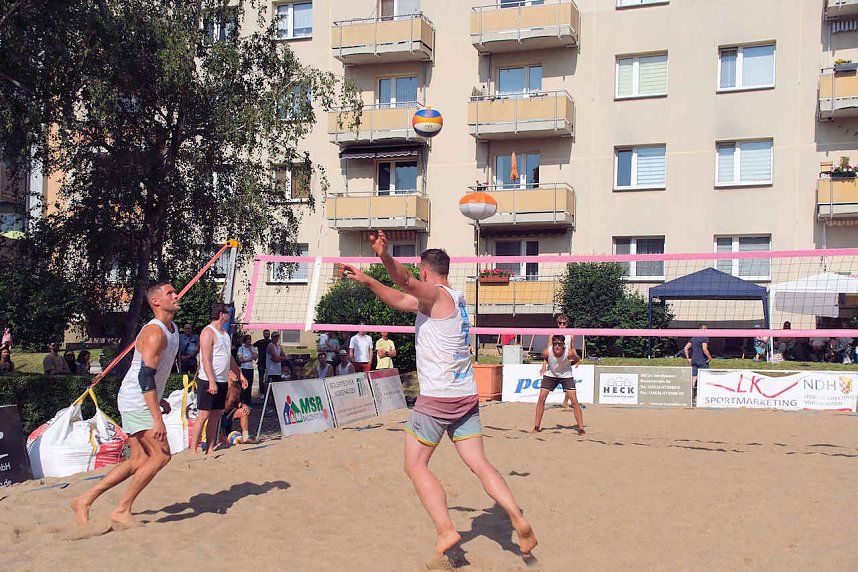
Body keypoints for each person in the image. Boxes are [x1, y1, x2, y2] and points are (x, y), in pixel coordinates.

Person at [342, 230, 536, 564]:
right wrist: (368, 280)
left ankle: (446, 530)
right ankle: (518, 519)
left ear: (426, 272)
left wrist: (384, 256)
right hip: (465, 396)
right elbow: (400, 298)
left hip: (438, 398)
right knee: (479, 464)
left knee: (415, 464)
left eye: (419, 272)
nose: (417, 277)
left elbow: (404, 282)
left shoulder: (435, 295)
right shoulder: (453, 300)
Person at [70, 281, 180, 528]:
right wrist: (156, 417)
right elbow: (145, 377)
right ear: (155, 301)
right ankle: (122, 509)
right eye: (170, 293)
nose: (176, 295)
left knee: (139, 459)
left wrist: (159, 398)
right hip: (137, 401)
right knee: (161, 456)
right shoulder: (154, 332)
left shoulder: (172, 329)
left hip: (139, 398)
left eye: (175, 292)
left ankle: (84, 500)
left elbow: (151, 372)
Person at [190, 303, 248, 456]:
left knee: (216, 416)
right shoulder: (208, 332)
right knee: (203, 415)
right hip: (207, 380)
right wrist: (211, 381)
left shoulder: (225, 334)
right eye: (227, 312)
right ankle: (193, 450)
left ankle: (210, 447)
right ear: (221, 314)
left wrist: (239, 374)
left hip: (222, 380)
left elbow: (229, 358)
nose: (229, 315)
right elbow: (205, 359)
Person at [532, 335, 583, 435]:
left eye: (559, 344)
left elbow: (577, 359)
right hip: (551, 374)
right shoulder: (547, 351)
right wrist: (544, 367)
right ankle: (536, 427)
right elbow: (546, 358)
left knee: (574, 400)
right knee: (541, 398)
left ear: (563, 344)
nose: (557, 346)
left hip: (566, 375)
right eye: (555, 344)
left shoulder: (569, 352)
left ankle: (581, 428)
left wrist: (568, 365)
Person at [220, 373, 255, 445]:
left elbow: (237, 402)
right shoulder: (223, 385)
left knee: (244, 412)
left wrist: (242, 405)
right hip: (218, 413)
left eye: (237, 374)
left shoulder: (237, 387)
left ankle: (246, 437)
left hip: (229, 412)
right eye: (233, 373)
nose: (236, 375)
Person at [684, 324, 713, 398]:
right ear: (701, 329)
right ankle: (706, 394)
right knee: (706, 376)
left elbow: (686, 348)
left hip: (694, 360)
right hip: (702, 360)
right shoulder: (704, 338)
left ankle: (692, 394)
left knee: (694, 377)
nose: (707, 330)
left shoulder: (693, 338)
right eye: (705, 329)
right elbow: (704, 349)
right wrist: (710, 357)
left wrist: (688, 358)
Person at [236, 335, 257, 405]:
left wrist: (250, 350)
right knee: (242, 385)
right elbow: (240, 359)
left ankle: (248, 401)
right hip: (243, 368)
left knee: (249, 385)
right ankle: (241, 400)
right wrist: (249, 358)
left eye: (250, 339)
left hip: (250, 369)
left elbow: (255, 357)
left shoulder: (252, 348)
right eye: (247, 339)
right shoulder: (241, 348)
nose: (249, 341)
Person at [254, 329, 272, 396]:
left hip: (269, 363)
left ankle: (268, 393)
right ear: (263, 334)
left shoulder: (271, 342)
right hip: (261, 362)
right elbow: (252, 346)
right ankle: (262, 393)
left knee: (269, 379)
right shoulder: (260, 342)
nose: (267, 335)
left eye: (268, 333)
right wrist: (255, 355)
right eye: (265, 333)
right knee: (261, 379)